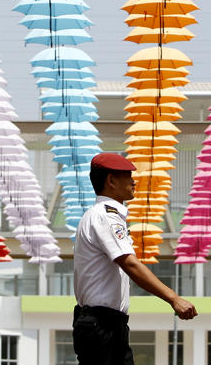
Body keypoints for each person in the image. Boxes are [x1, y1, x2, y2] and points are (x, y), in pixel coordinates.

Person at [72, 151, 197, 365]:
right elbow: (129, 263)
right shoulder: (105, 215)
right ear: (111, 180)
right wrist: (174, 299)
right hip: (101, 324)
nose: (133, 181)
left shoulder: (102, 215)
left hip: (106, 323)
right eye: (127, 175)